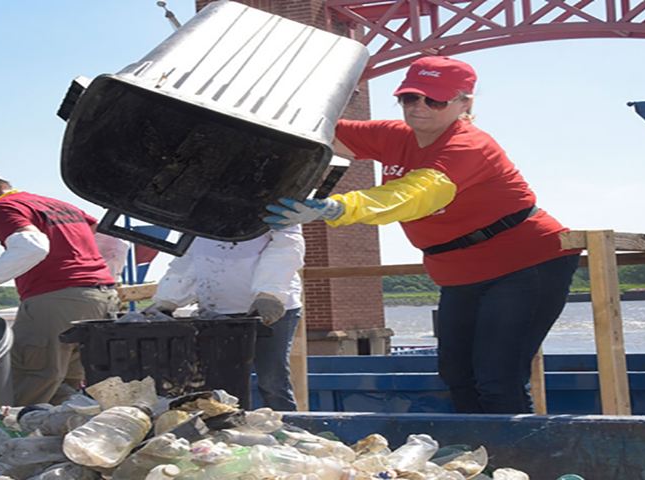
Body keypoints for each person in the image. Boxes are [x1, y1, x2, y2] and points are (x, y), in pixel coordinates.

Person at [263, 56, 581, 414]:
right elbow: (317, 131)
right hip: (459, 272)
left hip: (526, 264)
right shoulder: (392, 136)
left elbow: (415, 195)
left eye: (436, 100)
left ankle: (517, 463)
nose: (420, 108)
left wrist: (337, 207)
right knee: (456, 374)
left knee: (498, 378)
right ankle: (477, 458)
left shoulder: (470, 146)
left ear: (465, 104)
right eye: (410, 97)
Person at [0, 168, 126, 406]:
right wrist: (98, 280)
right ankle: (69, 428)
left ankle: (12, 436)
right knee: (67, 381)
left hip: (57, 300)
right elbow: (115, 245)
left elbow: (32, 247)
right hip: (103, 297)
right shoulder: (57, 205)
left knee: (31, 375)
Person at [140, 226, 305, 410]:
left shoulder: (272, 202)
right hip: (219, 309)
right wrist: (167, 300)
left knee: (272, 379)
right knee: (220, 382)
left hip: (270, 307)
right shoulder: (198, 209)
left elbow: (287, 246)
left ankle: (284, 428)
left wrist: (270, 293)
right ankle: (226, 429)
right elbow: (190, 258)